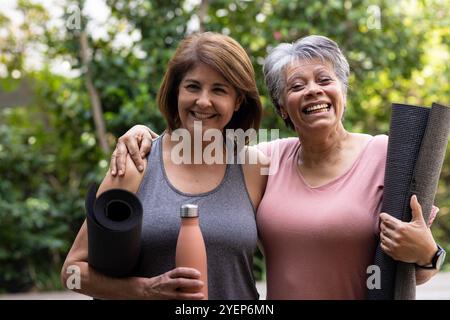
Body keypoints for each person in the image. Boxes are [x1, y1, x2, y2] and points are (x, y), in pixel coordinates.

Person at [110, 35, 444, 299]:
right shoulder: (264, 161)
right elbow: (192, 148)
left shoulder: (387, 155)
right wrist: (142, 135)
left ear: (341, 91)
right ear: (283, 108)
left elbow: (415, 270)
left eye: (324, 79)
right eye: (297, 86)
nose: (313, 91)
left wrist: (430, 254)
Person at [61, 32, 268, 300]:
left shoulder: (253, 168)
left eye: (219, 89)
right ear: (176, 92)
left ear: (238, 101)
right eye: (193, 87)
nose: (203, 101)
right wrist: (146, 290)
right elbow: (71, 273)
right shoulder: (136, 164)